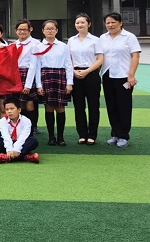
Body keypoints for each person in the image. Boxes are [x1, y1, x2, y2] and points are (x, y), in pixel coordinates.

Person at [26, 20, 73, 147]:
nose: (50, 31)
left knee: (60, 108)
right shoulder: (38, 47)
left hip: (60, 76)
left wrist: (69, 83)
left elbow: (68, 64)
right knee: (49, 107)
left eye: (52, 28)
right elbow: (36, 67)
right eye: (47, 29)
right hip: (45, 77)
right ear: (43, 31)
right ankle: (51, 137)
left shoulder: (63, 46)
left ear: (57, 30)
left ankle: (61, 137)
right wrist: (39, 85)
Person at [100, 12, 141, 148]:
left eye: (113, 22)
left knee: (124, 106)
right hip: (107, 75)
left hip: (123, 76)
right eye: (108, 23)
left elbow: (135, 56)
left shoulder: (129, 37)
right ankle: (115, 134)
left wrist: (131, 75)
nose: (110, 25)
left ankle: (124, 136)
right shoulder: (103, 38)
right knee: (111, 105)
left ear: (120, 23)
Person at [68, 13, 104, 145]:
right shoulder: (71, 40)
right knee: (79, 106)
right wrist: (73, 71)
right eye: (77, 23)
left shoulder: (96, 40)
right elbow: (68, 59)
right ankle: (82, 134)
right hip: (76, 74)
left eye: (82, 22)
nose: (80, 25)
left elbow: (100, 59)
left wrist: (87, 71)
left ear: (89, 24)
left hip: (91, 74)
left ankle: (92, 135)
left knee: (93, 105)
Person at [0, 97, 39, 164]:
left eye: (12, 109)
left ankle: (6, 157)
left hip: (22, 143)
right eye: (7, 109)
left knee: (33, 141)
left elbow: (23, 137)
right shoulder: (3, 121)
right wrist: (9, 150)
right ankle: (26, 157)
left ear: (19, 110)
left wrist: (16, 149)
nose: (9, 111)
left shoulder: (26, 121)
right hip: (9, 142)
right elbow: (5, 136)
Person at [14, 20, 40, 134]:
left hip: (28, 74)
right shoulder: (13, 45)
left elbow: (33, 66)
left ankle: (32, 128)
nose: (22, 32)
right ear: (16, 31)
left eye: (25, 29)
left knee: (30, 104)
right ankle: (21, 128)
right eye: (20, 29)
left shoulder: (34, 44)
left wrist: (28, 85)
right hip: (16, 75)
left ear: (30, 30)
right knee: (20, 104)